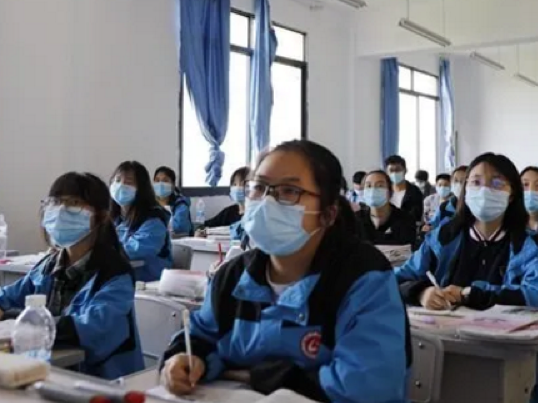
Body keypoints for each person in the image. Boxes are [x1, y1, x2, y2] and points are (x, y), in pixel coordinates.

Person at [160, 140, 410, 401]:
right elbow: (199, 337)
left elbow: (367, 386)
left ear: (327, 213)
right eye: (259, 187)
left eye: (289, 191)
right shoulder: (232, 277)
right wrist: (186, 358)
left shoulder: (363, 277)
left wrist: (262, 376)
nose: (267, 201)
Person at [394, 153, 538, 403]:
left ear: (512, 194)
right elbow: (395, 279)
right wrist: (421, 291)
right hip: (442, 347)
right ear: (465, 190)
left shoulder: (530, 245)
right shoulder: (444, 237)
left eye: (496, 183)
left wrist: (469, 293)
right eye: (476, 182)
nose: (485, 190)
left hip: (505, 354)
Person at [0, 173, 144, 379]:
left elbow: (89, 329)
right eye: (55, 202)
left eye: (74, 203)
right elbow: (6, 297)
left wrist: (7, 318)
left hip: (101, 381)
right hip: (50, 374)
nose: (61, 210)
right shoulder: (48, 265)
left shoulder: (115, 273)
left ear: (102, 216)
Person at [110, 161, 172, 282]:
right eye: (117, 180)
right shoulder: (115, 218)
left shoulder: (153, 219)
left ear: (141, 188)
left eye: (128, 182)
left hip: (148, 282)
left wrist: (99, 251)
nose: (121, 185)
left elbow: (134, 251)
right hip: (122, 278)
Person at [356, 170, 417, 246]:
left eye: (380, 186)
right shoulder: (355, 220)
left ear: (390, 191)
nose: (373, 190)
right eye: (368, 186)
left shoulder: (406, 220)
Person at [194, 167, 250, 238]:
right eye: (234, 184)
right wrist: (200, 231)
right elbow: (204, 226)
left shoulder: (255, 214)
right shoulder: (229, 212)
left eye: (242, 184)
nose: (237, 188)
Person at [154, 167, 193, 237]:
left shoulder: (180, 204)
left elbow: (180, 227)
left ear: (173, 185)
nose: (160, 184)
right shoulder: (150, 204)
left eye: (165, 180)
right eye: (157, 180)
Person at [384, 155, 424, 225]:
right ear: (387, 173)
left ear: (405, 170)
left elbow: (416, 216)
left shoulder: (414, 192)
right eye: (391, 170)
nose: (394, 173)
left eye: (398, 170)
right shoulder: (384, 191)